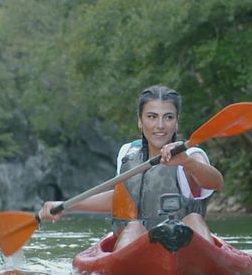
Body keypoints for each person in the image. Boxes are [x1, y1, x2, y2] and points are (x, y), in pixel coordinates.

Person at [38, 85, 224, 250]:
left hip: (184, 246)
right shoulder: (127, 153)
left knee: (193, 219)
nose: (160, 125)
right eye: (152, 117)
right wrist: (67, 206)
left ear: (176, 123)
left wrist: (187, 162)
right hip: (137, 246)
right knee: (134, 226)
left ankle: (205, 266)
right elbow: (119, 199)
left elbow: (216, 183)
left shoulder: (191, 155)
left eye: (168, 117)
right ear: (140, 121)